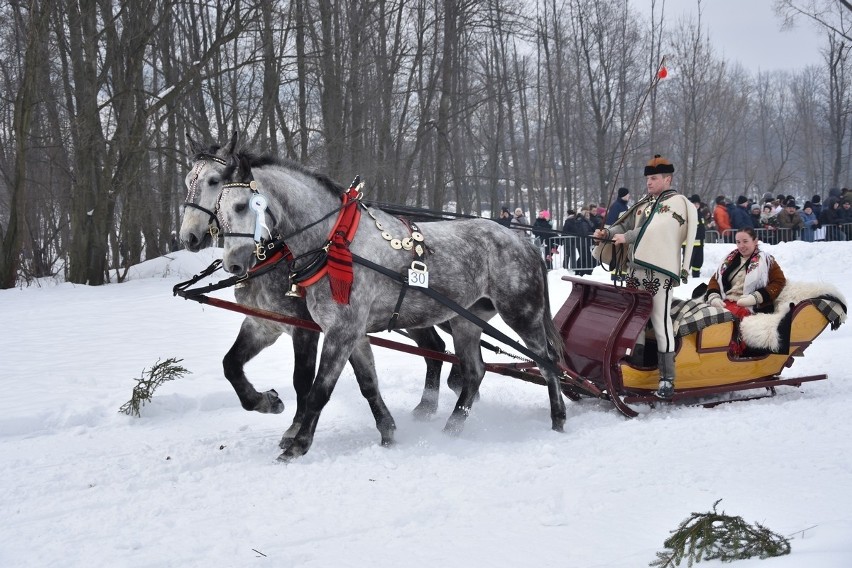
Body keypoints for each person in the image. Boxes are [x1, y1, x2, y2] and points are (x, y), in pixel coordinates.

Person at [593, 154, 697, 399]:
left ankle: (667, 379)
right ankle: (636, 371)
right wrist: (607, 232)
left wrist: (626, 238)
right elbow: (625, 224)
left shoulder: (676, 203)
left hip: (659, 273)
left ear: (667, 178)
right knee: (635, 322)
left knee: (660, 323)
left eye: (654, 178)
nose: (649, 183)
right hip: (635, 271)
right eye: (648, 178)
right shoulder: (645, 202)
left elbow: (657, 228)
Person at [704, 228, 786, 323]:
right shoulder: (729, 259)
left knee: (724, 322)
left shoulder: (767, 261)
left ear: (755, 241)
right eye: (738, 242)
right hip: (725, 302)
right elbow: (716, 278)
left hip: (750, 307)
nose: (741, 246)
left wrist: (756, 297)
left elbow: (779, 281)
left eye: (745, 241)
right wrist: (714, 296)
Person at [572, 206, 597, 276]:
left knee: (584, 257)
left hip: (583, 242)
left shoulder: (584, 221)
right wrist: (594, 234)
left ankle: (579, 270)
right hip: (582, 242)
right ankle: (582, 271)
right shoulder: (583, 222)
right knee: (585, 257)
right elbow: (585, 232)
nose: (588, 216)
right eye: (587, 214)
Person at [685, 194, 705, 278]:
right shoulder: (688, 213)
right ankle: (683, 277)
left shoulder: (700, 214)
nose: (696, 205)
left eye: (698, 204)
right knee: (687, 262)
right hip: (690, 243)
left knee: (698, 261)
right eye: (694, 203)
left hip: (699, 243)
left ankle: (696, 276)